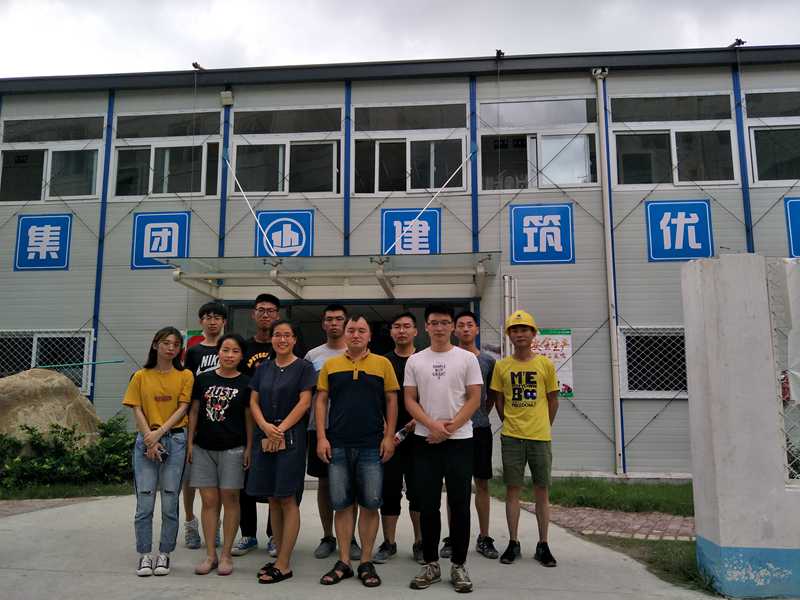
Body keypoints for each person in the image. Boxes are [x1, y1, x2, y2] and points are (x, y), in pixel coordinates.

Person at [315, 315, 399, 588]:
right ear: (345, 334)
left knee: (370, 504)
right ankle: (343, 562)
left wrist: (389, 436)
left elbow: (391, 400)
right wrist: (321, 437)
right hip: (338, 445)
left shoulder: (383, 364)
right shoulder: (331, 365)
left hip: (371, 446)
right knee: (341, 505)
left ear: (369, 335)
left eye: (361, 330)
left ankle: (365, 561)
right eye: (351, 330)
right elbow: (321, 401)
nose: (355, 335)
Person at [404, 304, 482, 593]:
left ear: (452, 327)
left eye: (445, 322)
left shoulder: (467, 359)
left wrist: (448, 429)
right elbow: (410, 400)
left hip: (460, 441)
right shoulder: (415, 361)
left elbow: (474, 398)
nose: (439, 327)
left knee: (460, 503)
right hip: (425, 441)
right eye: (434, 323)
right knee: (428, 504)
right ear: (426, 326)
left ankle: (459, 564)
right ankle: (431, 564)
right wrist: (432, 426)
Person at [248, 320, 317, 584]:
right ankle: (278, 554)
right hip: (265, 437)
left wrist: (280, 428)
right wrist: (266, 427)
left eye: (287, 335)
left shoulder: (304, 368)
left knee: (287, 498)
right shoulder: (263, 368)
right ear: (272, 339)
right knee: (273, 498)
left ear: (294, 339)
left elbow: (305, 402)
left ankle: (284, 563)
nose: (282, 339)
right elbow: (253, 401)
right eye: (278, 335)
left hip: (291, 438)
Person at [490, 309, 559, 567]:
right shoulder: (501, 366)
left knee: (542, 489)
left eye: (524, 330)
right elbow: (499, 400)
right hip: (512, 436)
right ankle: (513, 542)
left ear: (533, 334)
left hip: (540, 437)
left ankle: (543, 544)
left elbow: (553, 400)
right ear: (509, 335)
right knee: (513, 489)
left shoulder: (545, 364)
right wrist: (509, 421)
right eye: (515, 330)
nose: (520, 334)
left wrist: (543, 425)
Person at [123, 327, 194, 577]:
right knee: (145, 502)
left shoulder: (185, 375)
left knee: (170, 501)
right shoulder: (140, 376)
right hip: (146, 440)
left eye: (176, 344)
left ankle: (164, 553)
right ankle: (144, 554)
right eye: (166, 343)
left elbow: (183, 408)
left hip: (175, 440)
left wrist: (160, 433)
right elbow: (137, 408)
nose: (171, 348)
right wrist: (150, 440)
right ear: (155, 345)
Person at [187, 333, 253, 576]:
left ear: (241, 356)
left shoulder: (247, 383)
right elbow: (194, 411)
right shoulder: (203, 379)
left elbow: (249, 417)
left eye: (235, 351)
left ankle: (226, 555)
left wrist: (249, 447)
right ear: (218, 353)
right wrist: (190, 443)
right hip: (203, 448)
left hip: (233, 449)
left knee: (230, 499)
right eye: (225, 350)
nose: (229, 355)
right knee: (208, 501)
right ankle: (210, 555)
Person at [437, 310, 498, 560]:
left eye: (469, 325)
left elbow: (490, 396)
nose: (464, 329)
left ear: (476, 329)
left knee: (481, 483)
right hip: (452, 431)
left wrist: (479, 415)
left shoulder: (488, 361)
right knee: (454, 486)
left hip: (479, 429)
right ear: (454, 330)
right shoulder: (447, 358)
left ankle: (484, 537)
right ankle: (453, 537)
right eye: (460, 325)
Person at [304, 304, 362, 560]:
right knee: (325, 484)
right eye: (329, 319)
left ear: (347, 324)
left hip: (351, 428)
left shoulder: (359, 352)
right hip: (320, 428)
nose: (334, 323)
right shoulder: (312, 355)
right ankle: (328, 536)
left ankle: (350, 538)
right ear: (323, 324)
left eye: (339, 319)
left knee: (351, 484)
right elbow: (308, 394)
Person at [374, 311, 423, 564]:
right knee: (389, 490)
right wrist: (386, 430)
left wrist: (421, 419)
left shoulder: (425, 359)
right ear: (391, 332)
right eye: (396, 326)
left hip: (421, 436)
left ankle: (420, 543)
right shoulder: (382, 362)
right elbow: (376, 399)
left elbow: (436, 394)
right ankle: (389, 543)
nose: (401, 331)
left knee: (419, 492)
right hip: (389, 438)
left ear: (416, 331)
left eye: (406, 326)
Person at [233, 293, 280, 557]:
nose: (265, 315)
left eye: (270, 310)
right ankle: (248, 535)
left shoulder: (282, 345)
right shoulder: (244, 348)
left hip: (277, 422)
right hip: (247, 420)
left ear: (277, 315)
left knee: (275, 480)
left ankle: (274, 535)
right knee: (246, 479)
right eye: (261, 310)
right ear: (253, 314)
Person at [183, 301, 228, 550]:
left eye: (217, 317)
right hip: (196, 420)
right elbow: (187, 387)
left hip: (221, 421)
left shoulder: (229, 349)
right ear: (201, 321)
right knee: (190, 478)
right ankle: (190, 522)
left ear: (224, 322)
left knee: (217, 482)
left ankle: (214, 525)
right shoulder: (193, 352)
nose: (212, 321)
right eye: (208, 317)